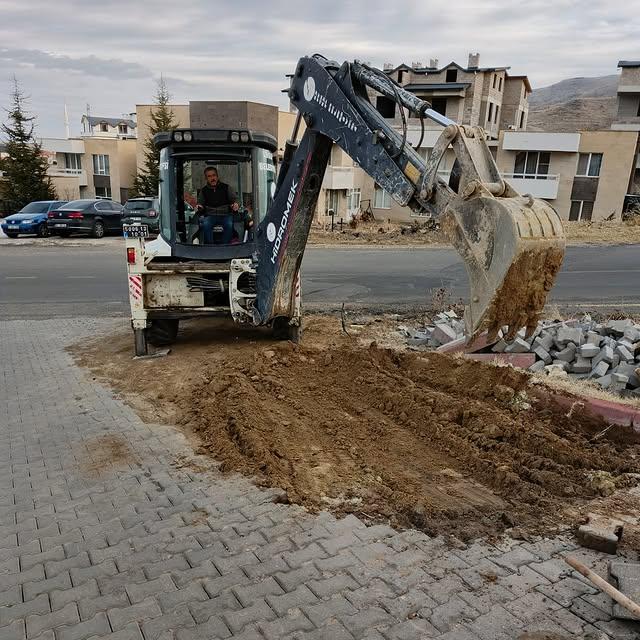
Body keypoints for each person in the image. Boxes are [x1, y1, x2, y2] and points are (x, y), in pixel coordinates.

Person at [196, 167, 239, 244]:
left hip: (225, 215)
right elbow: (200, 203)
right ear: (206, 178)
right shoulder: (204, 190)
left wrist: (235, 204)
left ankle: (225, 246)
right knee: (205, 224)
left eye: (214, 175)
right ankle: (211, 246)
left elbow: (235, 199)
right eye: (209, 176)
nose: (212, 178)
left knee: (229, 224)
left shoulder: (226, 187)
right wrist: (199, 206)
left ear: (217, 176)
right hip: (210, 215)